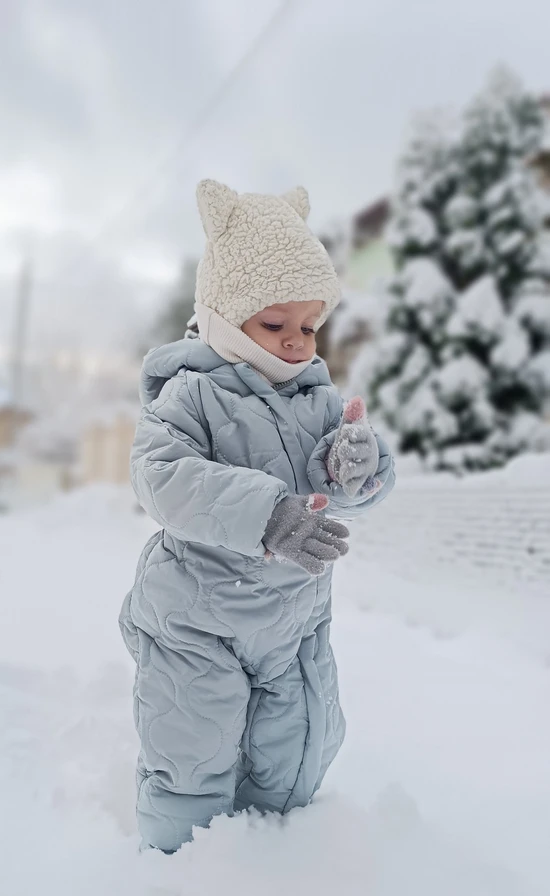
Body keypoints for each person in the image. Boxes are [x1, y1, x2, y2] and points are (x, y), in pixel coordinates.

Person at [119, 180, 395, 853]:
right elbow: (160, 475)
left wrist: (357, 465)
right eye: (276, 325)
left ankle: (277, 853)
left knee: (297, 744)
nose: (298, 342)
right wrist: (267, 513)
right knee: (194, 743)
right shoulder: (190, 393)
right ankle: (176, 871)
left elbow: (344, 488)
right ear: (223, 314)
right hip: (196, 616)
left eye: (309, 326)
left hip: (291, 617)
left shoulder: (316, 400)